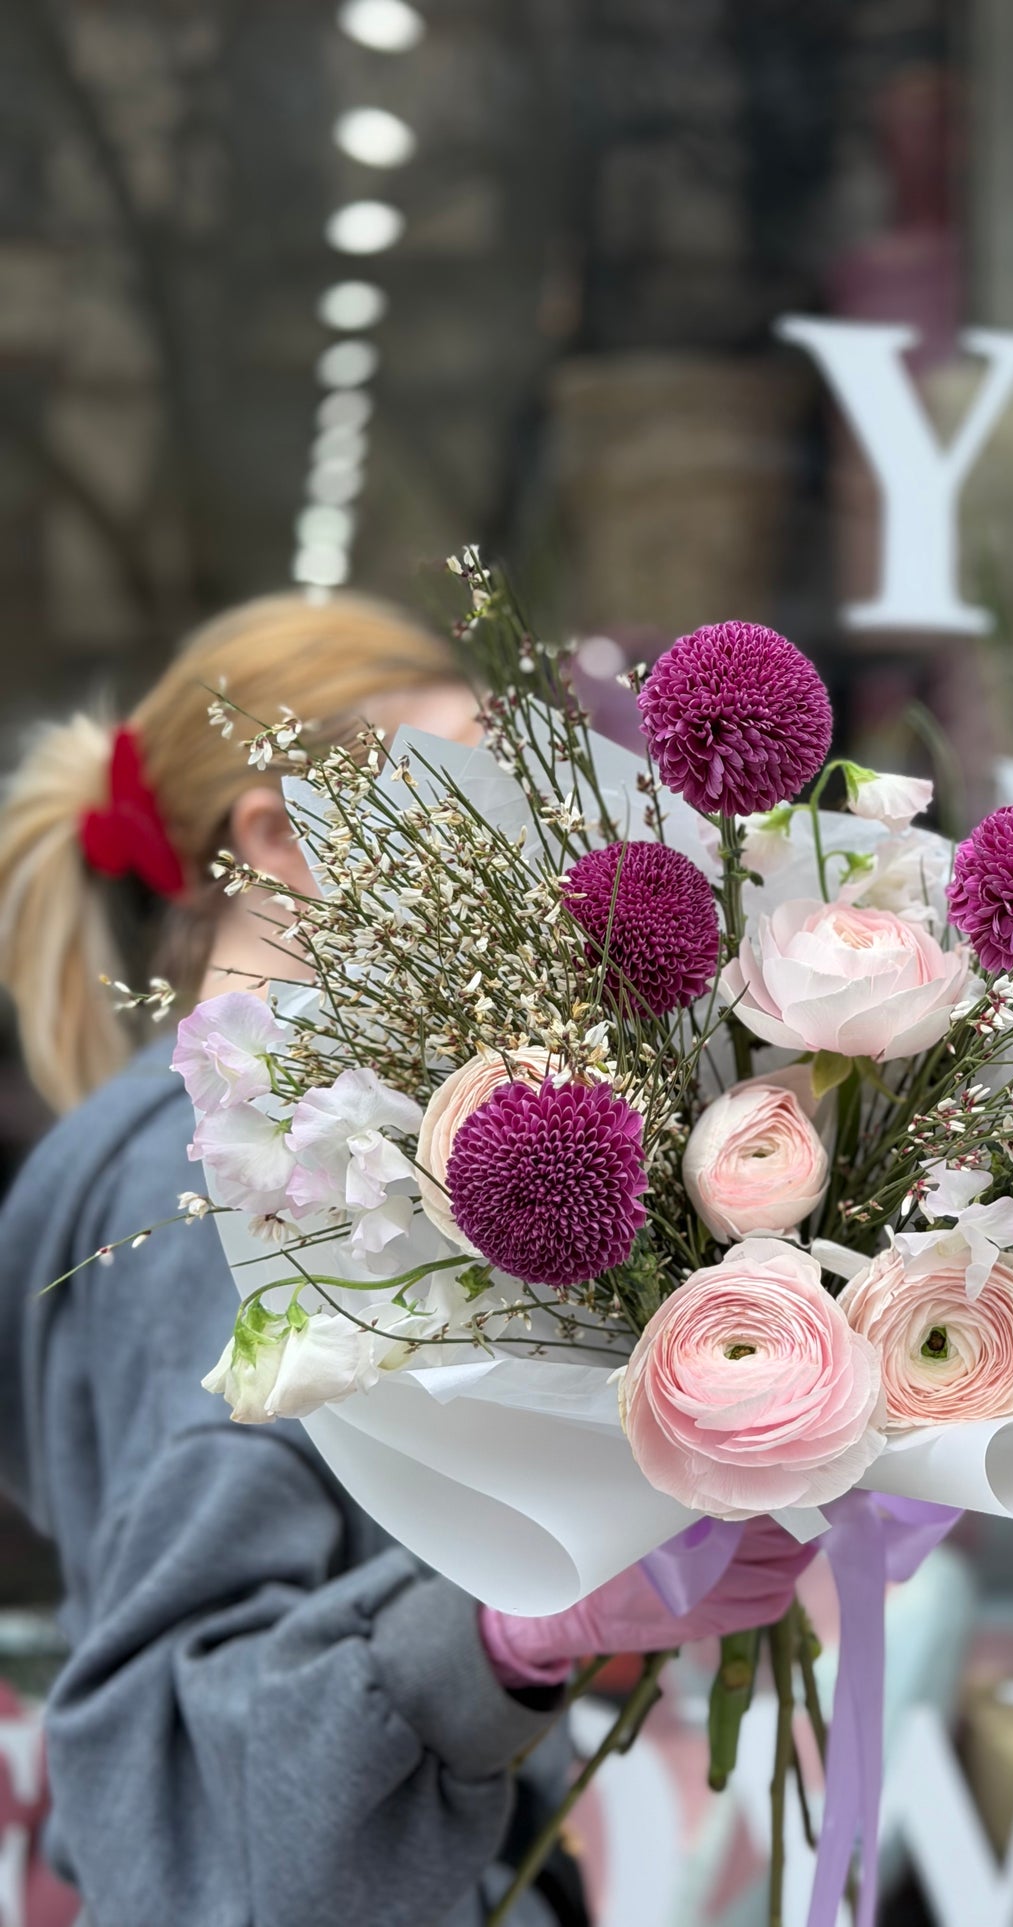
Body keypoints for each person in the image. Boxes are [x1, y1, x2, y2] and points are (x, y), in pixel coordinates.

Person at [0, 593, 813, 1927]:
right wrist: (509, 1628)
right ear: (280, 834)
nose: (532, 846)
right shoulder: (221, 1184)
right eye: (472, 778)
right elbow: (182, 1735)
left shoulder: (284, 1150)